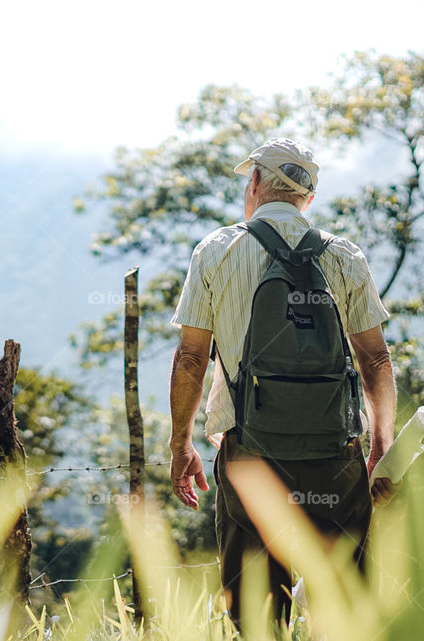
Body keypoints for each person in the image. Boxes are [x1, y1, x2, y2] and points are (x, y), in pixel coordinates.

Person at [167, 137, 396, 629]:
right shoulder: (345, 256)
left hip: (251, 454)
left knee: (258, 609)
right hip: (336, 453)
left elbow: (191, 358)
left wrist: (180, 443)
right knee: (347, 604)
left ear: (254, 183)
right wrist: (381, 444)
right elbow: (375, 358)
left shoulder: (217, 251)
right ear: (307, 198)